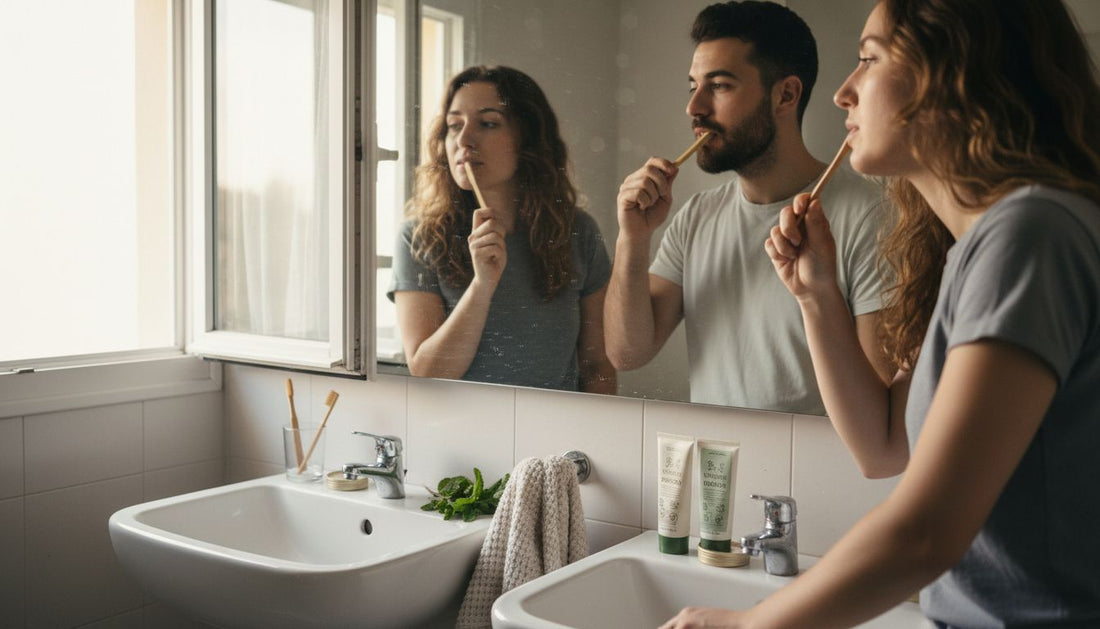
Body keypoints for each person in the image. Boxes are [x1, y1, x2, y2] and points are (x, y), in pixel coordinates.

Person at [663, 0, 1100, 626]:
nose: (842, 92)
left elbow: (926, 532)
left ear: (952, 74)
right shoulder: (974, 251)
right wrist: (816, 295)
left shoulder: (1030, 236)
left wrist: (746, 623)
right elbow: (882, 446)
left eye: (868, 59)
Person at [605, 1, 893, 413]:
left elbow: (880, 397)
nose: (695, 107)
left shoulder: (869, 216)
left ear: (786, 95)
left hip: (819, 476)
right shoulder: (696, 218)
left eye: (719, 86)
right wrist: (632, 239)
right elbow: (626, 353)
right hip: (716, 473)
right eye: (693, 86)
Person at [389, 65, 616, 394]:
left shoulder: (578, 232)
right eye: (454, 126)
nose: (464, 140)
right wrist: (482, 285)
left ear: (527, 138)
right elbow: (427, 370)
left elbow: (597, 367)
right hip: (460, 438)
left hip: (555, 440)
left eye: (488, 123)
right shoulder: (419, 238)